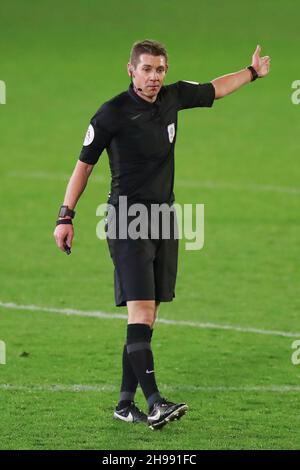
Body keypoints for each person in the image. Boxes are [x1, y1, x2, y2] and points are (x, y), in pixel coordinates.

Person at [53, 39, 270, 430]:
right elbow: (83, 166)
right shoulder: (110, 114)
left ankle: (124, 404)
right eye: (147, 69)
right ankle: (154, 404)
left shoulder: (173, 98)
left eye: (160, 69)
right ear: (131, 70)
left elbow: (215, 88)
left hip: (164, 220)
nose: (154, 77)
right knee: (143, 312)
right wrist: (65, 216)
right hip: (127, 220)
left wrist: (252, 73)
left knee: (147, 319)